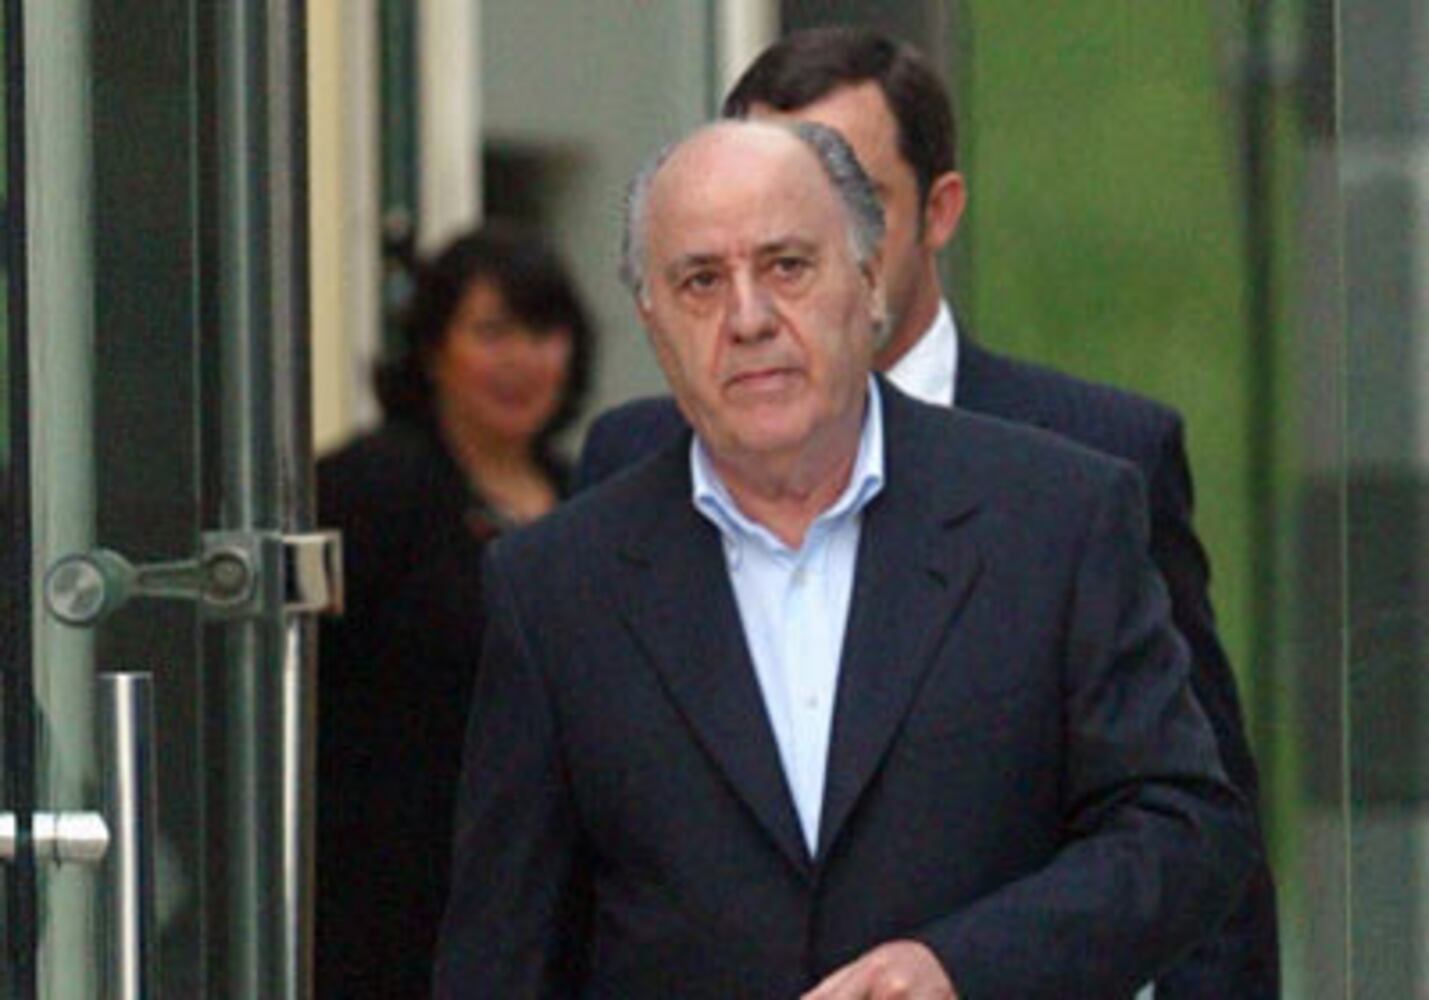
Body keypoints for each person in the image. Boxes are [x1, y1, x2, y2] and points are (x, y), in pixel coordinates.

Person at [435, 119, 1253, 998]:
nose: (748, 319)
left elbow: (1181, 832)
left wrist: (961, 969)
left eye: (787, 266)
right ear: (651, 319)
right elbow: (503, 950)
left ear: (866, 282)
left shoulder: (1054, 519)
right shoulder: (558, 586)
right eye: (700, 281)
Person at [316, 224, 595, 998]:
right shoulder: (370, 490)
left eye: (542, 332)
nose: (520, 360)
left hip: (550, 905)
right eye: (492, 332)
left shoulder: (592, 498)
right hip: (388, 902)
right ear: (433, 348)